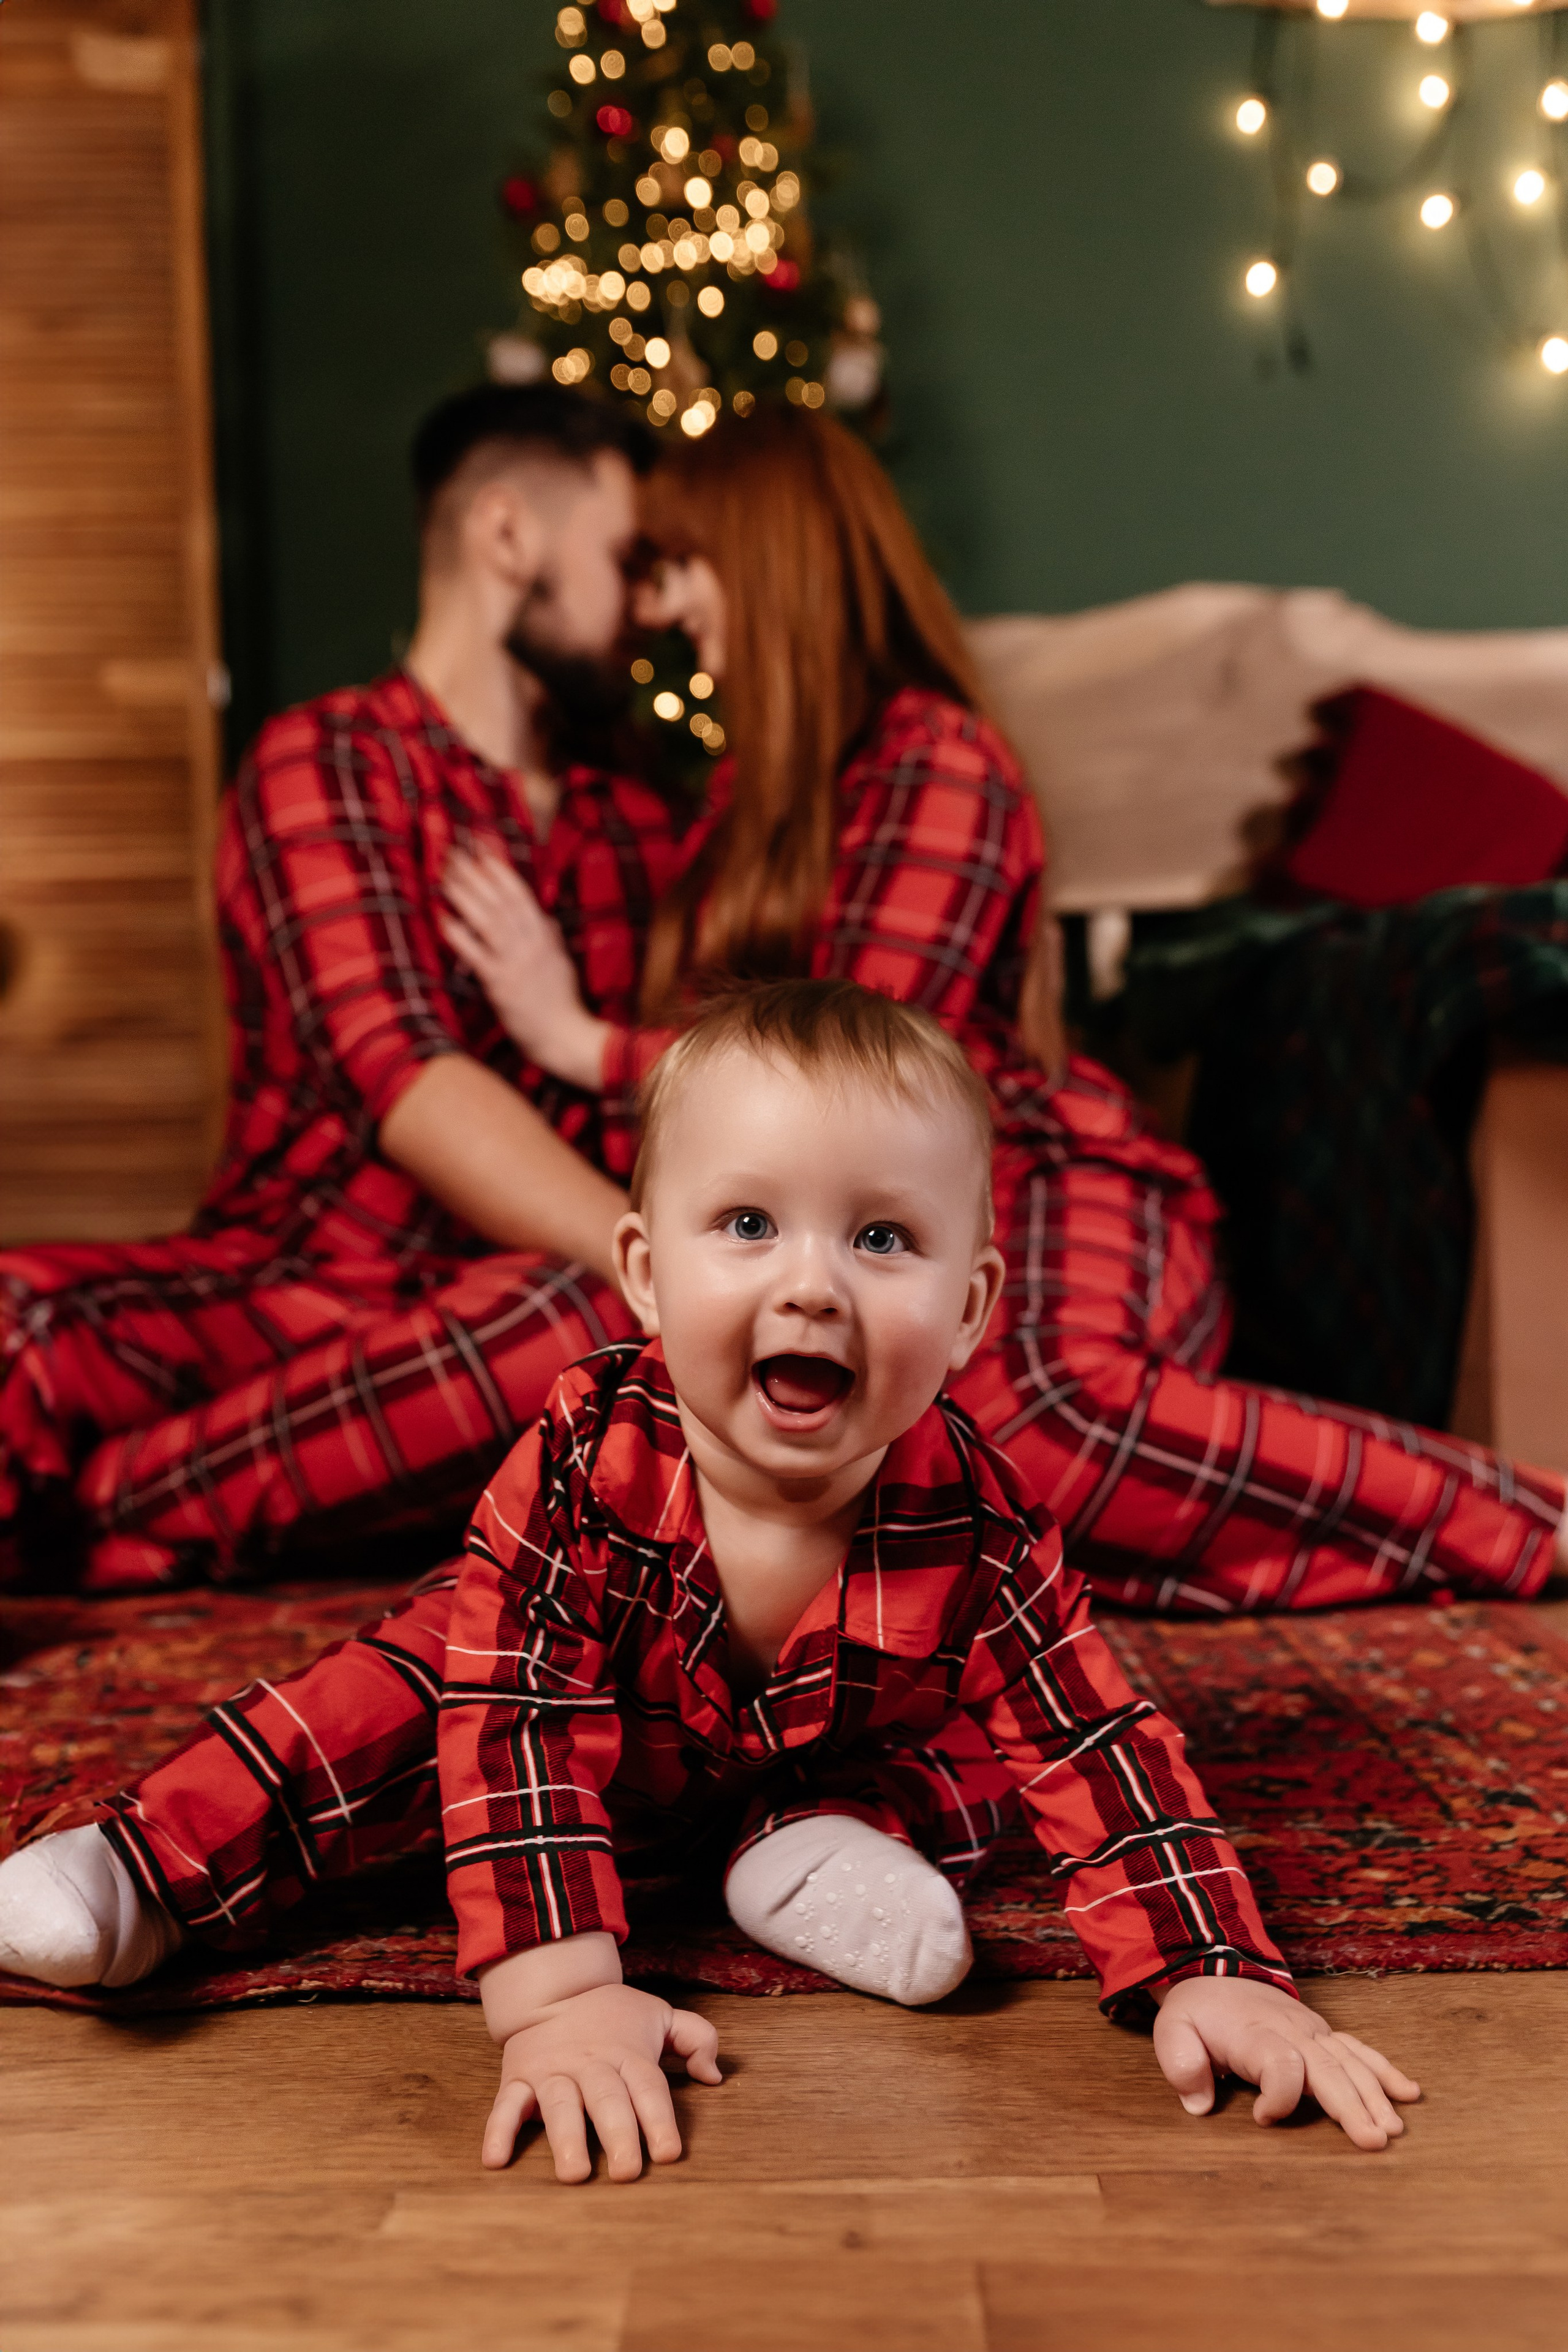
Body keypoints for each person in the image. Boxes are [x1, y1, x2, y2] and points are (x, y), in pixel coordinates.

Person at [39, 404, 1566, 1613]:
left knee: (1028, 1431)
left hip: (1017, 1169)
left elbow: (856, 1081)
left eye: (682, 565)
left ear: (764, 563)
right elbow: (541, 1097)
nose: (659, 609)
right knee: (906, 1460)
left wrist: (581, 1041)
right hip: (765, 1232)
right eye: (640, 563)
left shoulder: (918, 760)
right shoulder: (688, 819)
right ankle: (100, 1519)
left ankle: (1531, 1520)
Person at [0, 983, 1419, 2174]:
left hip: (810, 1751)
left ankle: (802, 1852)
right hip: (559, 1736)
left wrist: (1217, 1968)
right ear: (645, 1274)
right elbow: (514, 1724)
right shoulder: (581, 1462)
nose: (811, 1286)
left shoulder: (978, 1518)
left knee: (986, 1762)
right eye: (746, 1226)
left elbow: (1095, 1742)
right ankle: (144, 1870)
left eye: (880, 1239)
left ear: (971, 1309)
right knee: (378, 1713)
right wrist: (558, 1999)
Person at [1, 383, 667, 1594]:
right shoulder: (328, 761)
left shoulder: (638, 823)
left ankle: (78, 1526)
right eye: (624, 558)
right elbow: (407, 1080)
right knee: (16, 1318)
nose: (647, 607)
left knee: (579, 1329)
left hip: (511, 1311)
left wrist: (647, 1276)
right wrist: (657, 1263)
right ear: (509, 535)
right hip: (285, 1286)